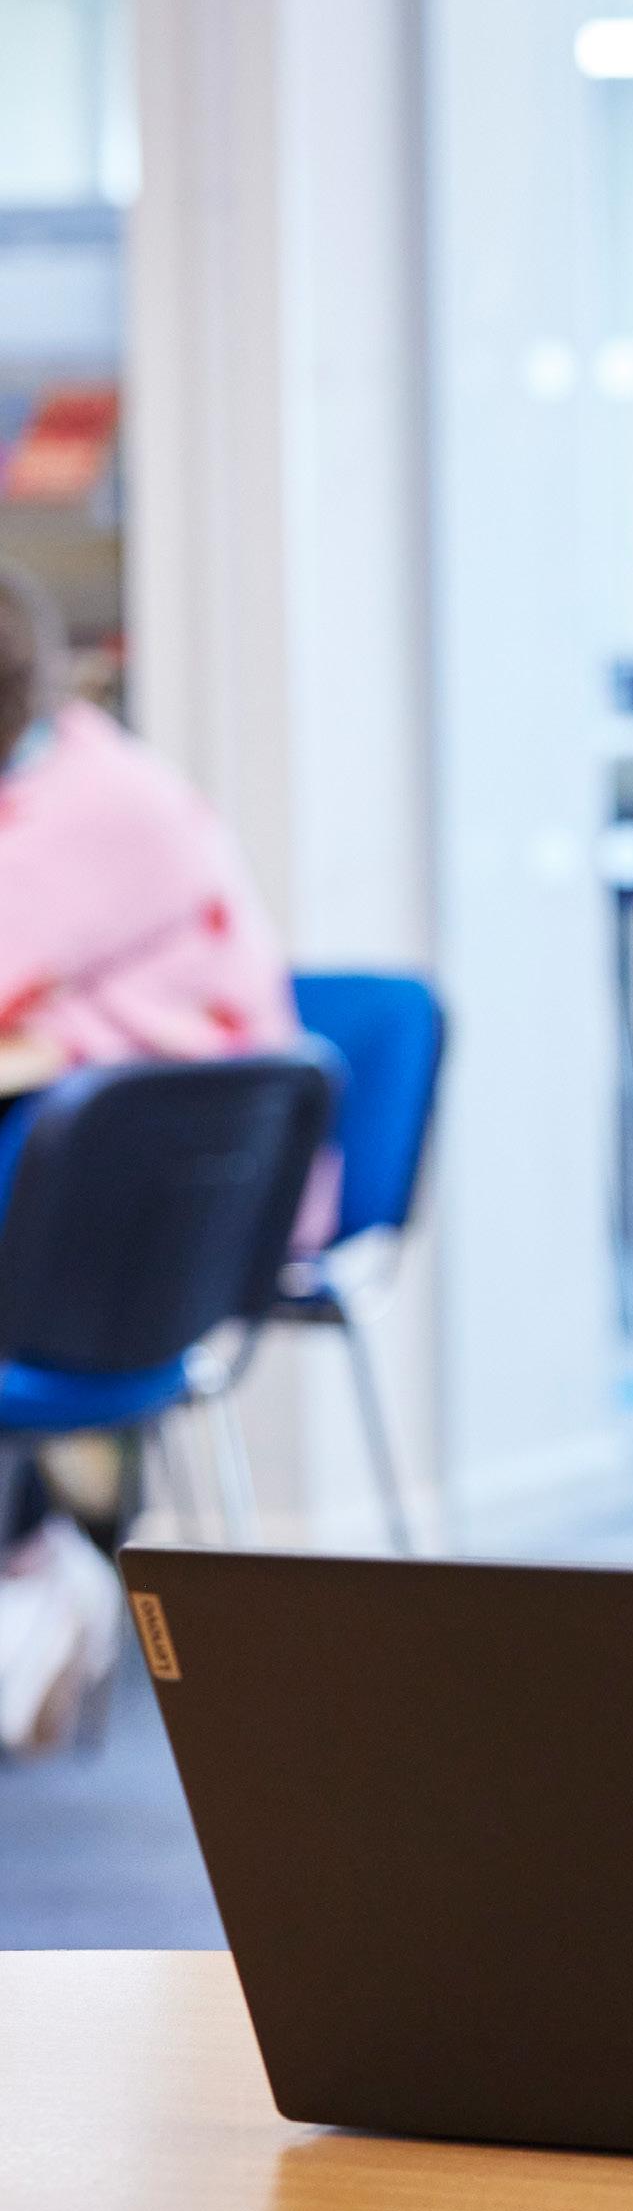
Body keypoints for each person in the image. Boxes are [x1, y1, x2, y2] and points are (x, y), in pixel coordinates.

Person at [0, 558, 302, 1755]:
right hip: (135, 1203)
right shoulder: (65, 777)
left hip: (163, 1229)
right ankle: (39, 1556)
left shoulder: (86, 806)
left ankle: (38, 1561)